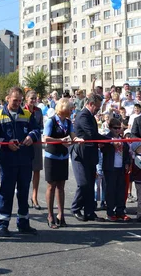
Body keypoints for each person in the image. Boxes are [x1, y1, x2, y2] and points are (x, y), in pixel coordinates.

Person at [0, 86, 40, 237]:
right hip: (7, 161)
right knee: (6, 192)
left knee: (24, 192)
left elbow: (37, 129)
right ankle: (3, 225)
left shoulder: (26, 114)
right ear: (7, 99)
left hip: (25, 160)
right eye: (14, 100)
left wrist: (31, 136)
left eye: (19, 100)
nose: (17, 103)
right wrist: (5, 143)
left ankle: (23, 223)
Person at [42, 98, 80, 229]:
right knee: (51, 186)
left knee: (61, 187)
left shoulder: (68, 122)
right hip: (51, 156)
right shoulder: (51, 121)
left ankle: (61, 215)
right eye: (70, 108)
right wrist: (60, 140)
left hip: (63, 157)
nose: (72, 110)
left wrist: (76, 139)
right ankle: (50, 215)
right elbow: (45, 138)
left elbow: (73, 135)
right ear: (63, 108)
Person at [71, 93, 108, 222]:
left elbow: (94, 134)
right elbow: (92, 134)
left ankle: (89, 211)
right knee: (83, 183)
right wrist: (109, 139)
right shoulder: (83, 116)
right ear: (91, 104)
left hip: (90, 154)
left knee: (91, 183)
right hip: (80, 155)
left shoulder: (91, 116)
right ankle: (75, 208)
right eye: (97, 107)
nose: (98, 110)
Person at [102, 118, 131, 222]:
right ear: (110, 128)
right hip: (110, 169)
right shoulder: (106, 138)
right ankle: (110, 212)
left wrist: (127, 163)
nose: (118, 130)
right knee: (110, 191)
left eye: (119, 128)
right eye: (115, 128)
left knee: (121, 191)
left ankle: (120, 212)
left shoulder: (122, 139)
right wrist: (111, 144)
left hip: (121, 168)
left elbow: (127, 153)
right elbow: (102, 148)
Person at [24, 90, 44, 210]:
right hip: (25, 142)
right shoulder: (22, 111)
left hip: (36, 142)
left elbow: (40, 126)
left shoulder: (39, 111)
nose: (33, 101)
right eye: (31, 98)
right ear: (26, 99)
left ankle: (34, 197)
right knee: (26, 172)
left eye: (35, 98)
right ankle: (24, 197)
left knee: (36, 170)